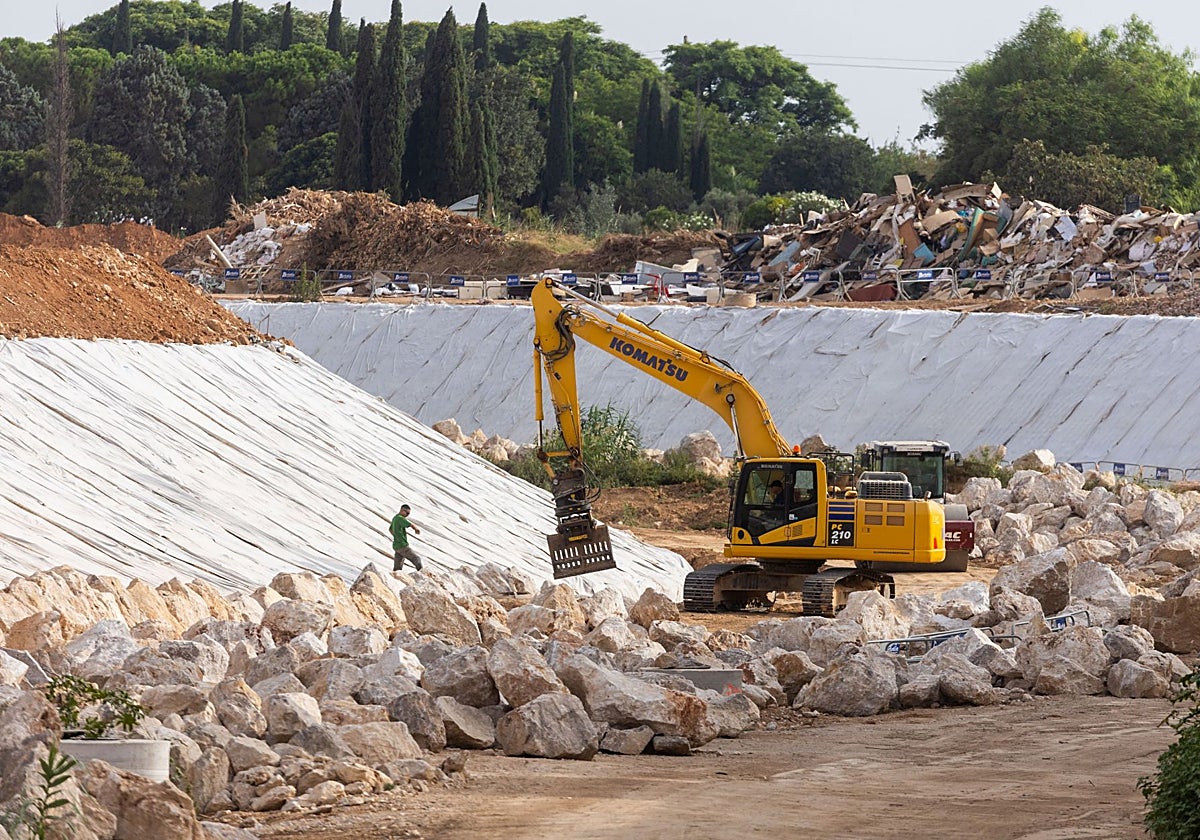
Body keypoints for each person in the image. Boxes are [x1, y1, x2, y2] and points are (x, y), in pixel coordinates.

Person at [390, 504, 423, 572]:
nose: (407, 515)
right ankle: (422, 574)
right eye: (407, 513)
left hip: (396, 546)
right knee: (416, 559)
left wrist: (397, 536)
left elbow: (390, 529)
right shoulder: (400, 518)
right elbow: (410, 524)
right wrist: (416, 529)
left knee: (397, 569)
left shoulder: (395, 518)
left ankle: (396, 579)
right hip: (402, 545)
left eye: (409, 513)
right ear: (402, 510)